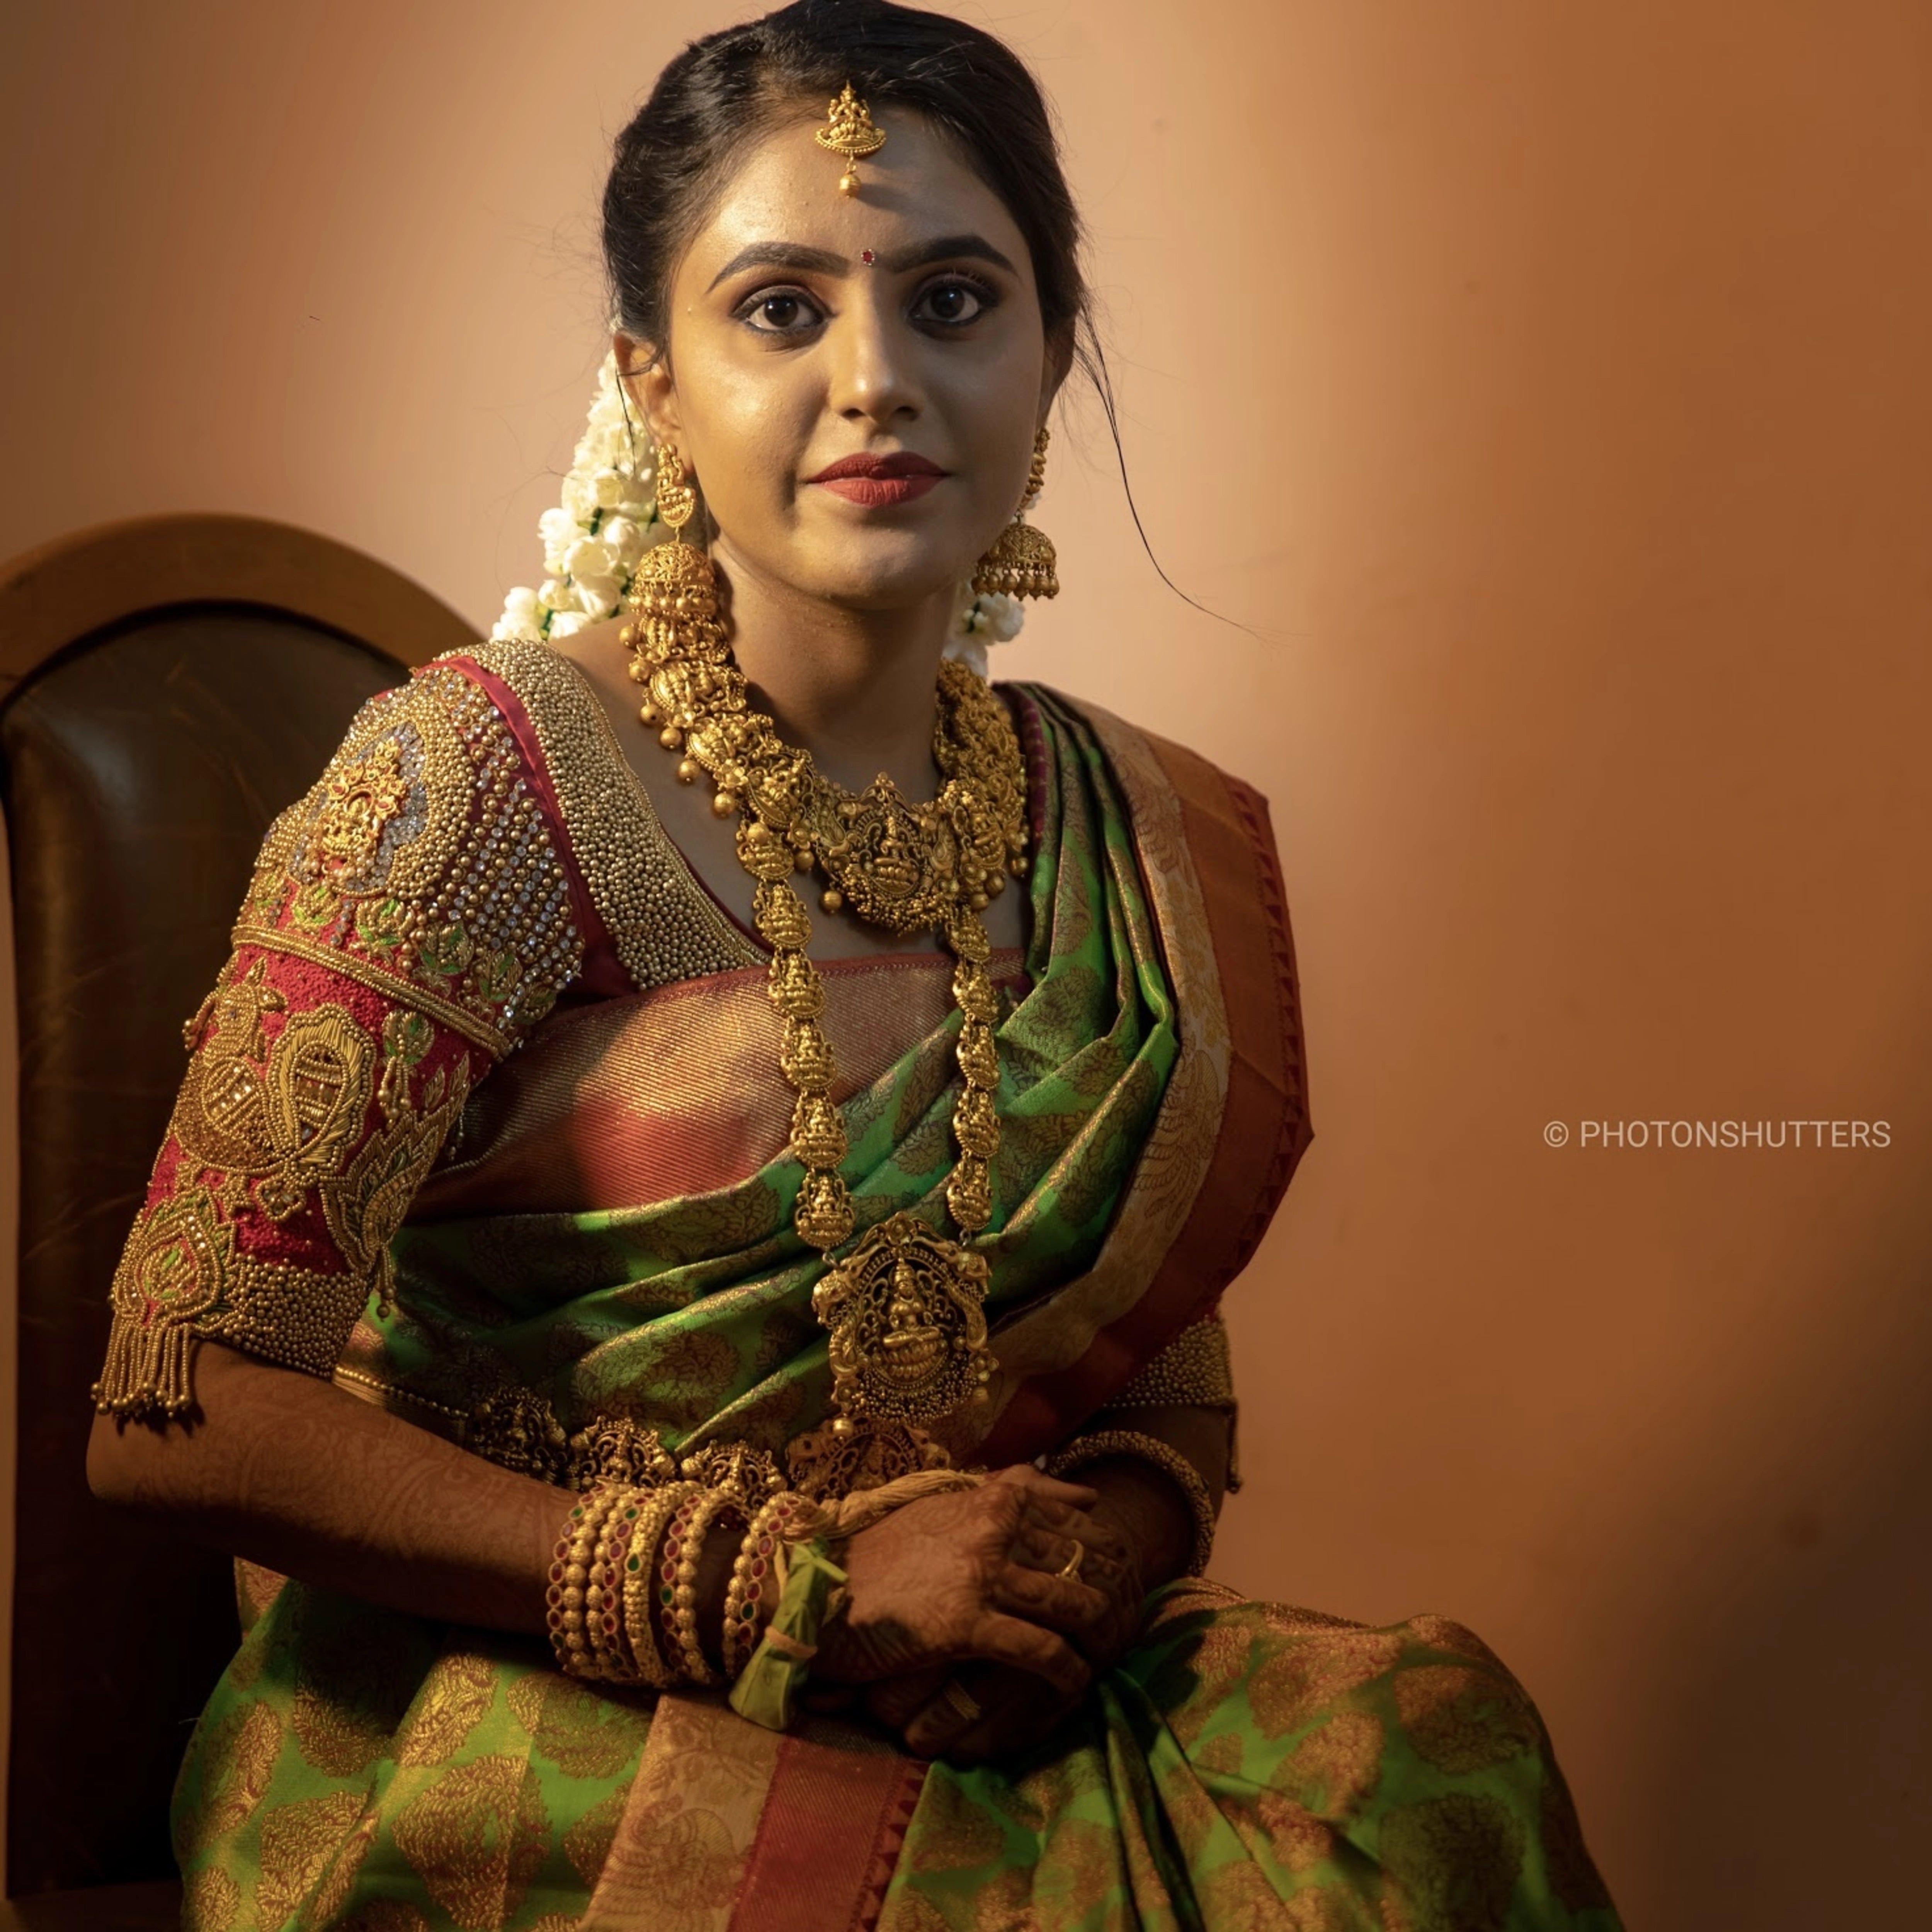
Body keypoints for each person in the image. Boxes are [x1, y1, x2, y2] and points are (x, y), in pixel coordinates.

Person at [85, 3, 1625, 1926]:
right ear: (651, 385)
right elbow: (182, 1396)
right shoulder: (481, 782)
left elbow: (1145, 1380)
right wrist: (773, 1595)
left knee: (1427, 1752)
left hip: (969, 1687)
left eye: (956, 300)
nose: (878, 376)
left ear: (1051, 358)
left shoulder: (1110, 831)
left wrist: (1069, 1579)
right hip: (523, 1694)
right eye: (780, 307)